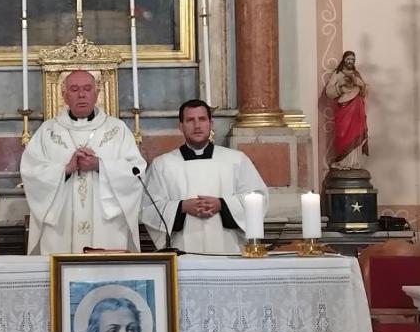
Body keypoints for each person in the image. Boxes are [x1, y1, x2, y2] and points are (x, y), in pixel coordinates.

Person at [20, 70, 146, 254]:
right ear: (64, 95)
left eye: (87, 89)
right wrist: (66, 169)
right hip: (61, 226)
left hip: (106, 225)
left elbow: (136, 172)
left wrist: (100, 166)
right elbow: (31, 173)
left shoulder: (117, 130)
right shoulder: (48, 131)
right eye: (74, 89)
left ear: (96, 94)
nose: (81, 94)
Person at [141, 99, 268, 253]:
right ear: (181, 126)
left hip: (228, 249)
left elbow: (257, 198)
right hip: (182, 251)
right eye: (190, 120)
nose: (197, 125)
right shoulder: (162, 165)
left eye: (202, 119)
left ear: (210, 124)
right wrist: (182, 207)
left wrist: (222, 205)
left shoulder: (236, 160)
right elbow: (149, 208)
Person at [324, 51, 368, 170]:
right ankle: (342, 162)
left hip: (357, 109)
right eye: (348, 59)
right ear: (344, 60)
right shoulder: (338, 74)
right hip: (344, 109)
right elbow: (329, 92)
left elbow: (364, 92)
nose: (350, 61)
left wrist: (360, 84)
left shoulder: (356, 74)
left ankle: (354, 162)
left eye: (352, 59)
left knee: (356, 133)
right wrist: (339, 85)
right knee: (342, 134)